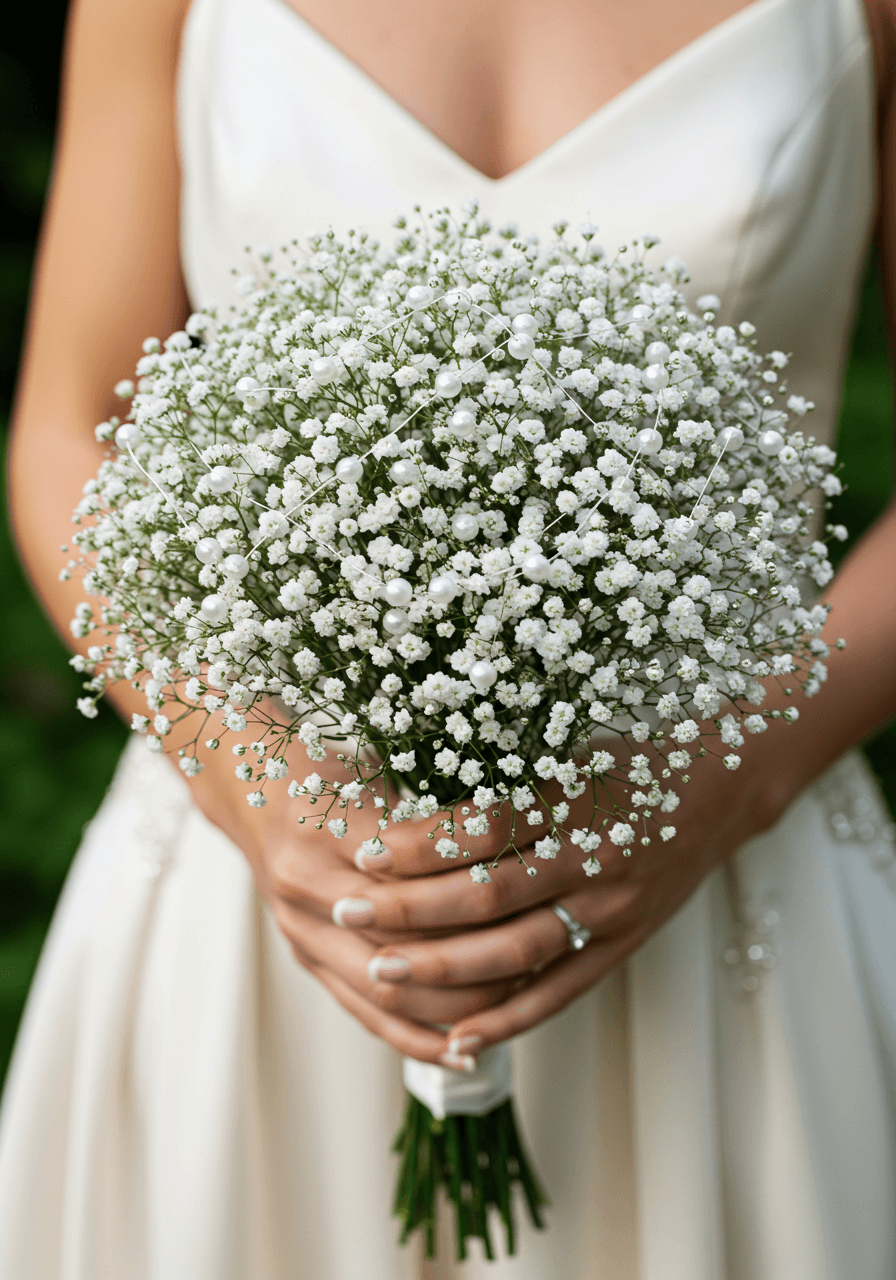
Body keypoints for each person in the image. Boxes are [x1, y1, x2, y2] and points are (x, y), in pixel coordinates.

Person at [1, 0, 895, 1274]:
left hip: (725, 895)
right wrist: (248, 787)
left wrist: (731, 774)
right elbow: (63, 432)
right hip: (275, 903)